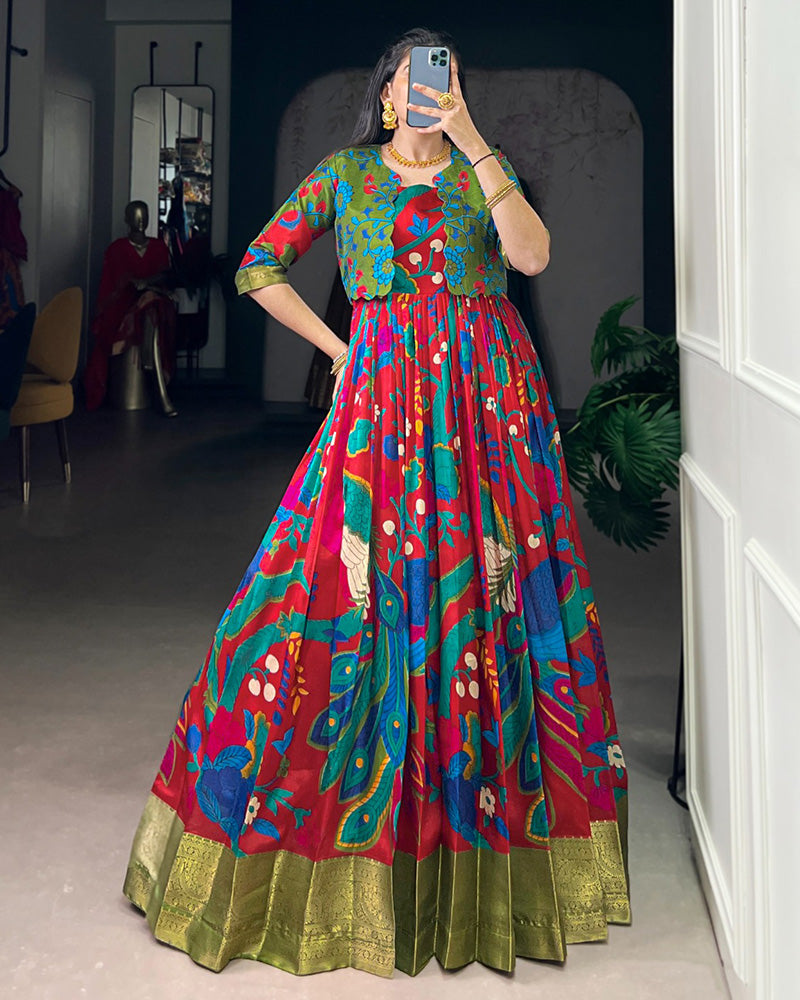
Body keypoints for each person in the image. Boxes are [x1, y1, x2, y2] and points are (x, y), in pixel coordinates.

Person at [123, 27, 630, 978]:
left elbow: (532, 258)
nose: (431, 93)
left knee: (493, 600)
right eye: (415, 81)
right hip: (380, 408)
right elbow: (258, 266)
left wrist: (476, 142)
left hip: (486, 414)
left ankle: (484, 841)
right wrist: (340, 347)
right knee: (331, 591)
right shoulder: (346, 176)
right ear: (388, 97)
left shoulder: (487, 171)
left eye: (449, 80)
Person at [84, 200, 178, 416]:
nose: (140, 220)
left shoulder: (158, 247)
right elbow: (112, 286)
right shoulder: (117, 249)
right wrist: (132, 283)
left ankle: (158, 381)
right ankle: (161, 391)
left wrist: (147, 283)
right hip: (124, 304)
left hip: (154, 303)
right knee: (146, 308)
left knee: (152, 306)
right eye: (135, 215)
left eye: (144, 215)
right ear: (127, 219)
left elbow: (166, 275)